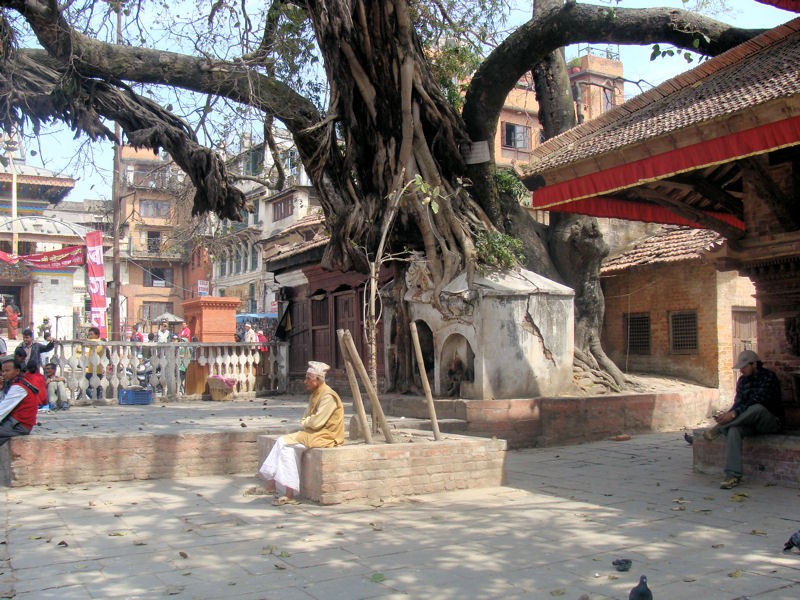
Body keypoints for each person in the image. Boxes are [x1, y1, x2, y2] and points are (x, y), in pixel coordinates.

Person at [259, 361, 344, 505]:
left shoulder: (328, 396)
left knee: (282, 441)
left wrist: (306, 422)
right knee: (287, 450)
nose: (305, 382)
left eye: (308, 379)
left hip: (326, 436)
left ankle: (270, 484)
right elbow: (306, 418)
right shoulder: (315, 394)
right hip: (313, 433)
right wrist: (307, 421)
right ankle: (288, 493)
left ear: (317, 380)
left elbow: (315, 422)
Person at [703, 350, 784, 489]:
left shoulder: (768, 377)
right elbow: (738, 404)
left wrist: (734, 414)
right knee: (734, 430)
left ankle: (720, 429)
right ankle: (732, 475)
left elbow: (758, 400)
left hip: (770, 421)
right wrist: (728, 414)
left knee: (757, 407)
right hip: (749, 423)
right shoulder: (742, 381)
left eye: (744, 367)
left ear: (754, 364)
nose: (741, 370)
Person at [0, 355, 40, 446]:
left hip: (19, 425)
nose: (4, 374)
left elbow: (2, 410)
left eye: (7, 371)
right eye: (2, 371)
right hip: (13, 423)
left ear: (17, 371)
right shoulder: (14, 383)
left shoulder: (18, 387)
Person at [76, 326, 106, 401]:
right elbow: (79, 348)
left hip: (97, 370)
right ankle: (94, 398)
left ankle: (95, 398)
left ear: (97, 335)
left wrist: (88, 341)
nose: (90, 336)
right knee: (84, 385)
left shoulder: (99, 344)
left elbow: (98, 350)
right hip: (90, 370)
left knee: (93, 386)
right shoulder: (91, 343)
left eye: (92, 334)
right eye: (89, 334)